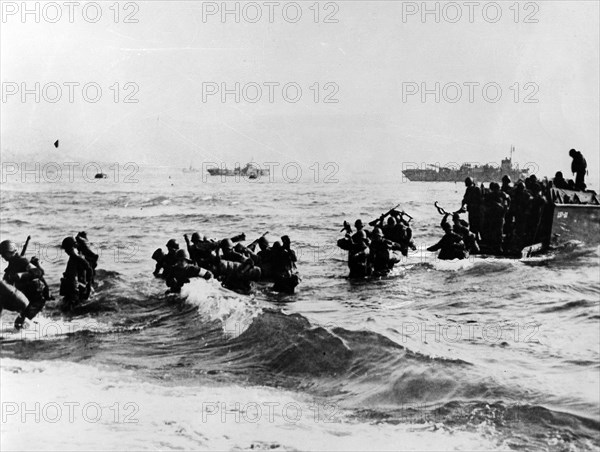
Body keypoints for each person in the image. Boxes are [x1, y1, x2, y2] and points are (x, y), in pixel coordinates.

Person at [0, 240, 48, 329]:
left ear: (9, 252)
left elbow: (38, 272)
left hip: (37, 298)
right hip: (27, 298)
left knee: (20, 325)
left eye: (3, 253)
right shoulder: (11, 267)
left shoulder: (22, 261)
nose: (2, 256)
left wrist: (22, 275)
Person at [59, 236, 93, 312]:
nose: (66, 251)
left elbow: (89, 270)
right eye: (65, 249)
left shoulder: (77, 257)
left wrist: (88, 286)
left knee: (71, 308)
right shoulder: (73, 258)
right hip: (70, 287)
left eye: (67, 249)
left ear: (73, 247)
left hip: (74, 288)